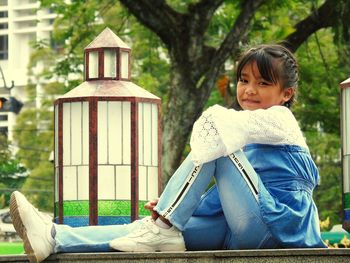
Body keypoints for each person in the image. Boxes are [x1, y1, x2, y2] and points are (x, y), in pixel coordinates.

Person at [10, 44, 327, 263]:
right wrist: (173, 208)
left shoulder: (281, 121)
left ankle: (163, 224)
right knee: (142, 232)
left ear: (286, 94)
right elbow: (232, 198)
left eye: (262, 82)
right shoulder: (245, 134)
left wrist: (170, 209)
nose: (249, 90)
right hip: (240, 229)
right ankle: (54, 236)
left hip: (275, 228)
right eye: (244, 80)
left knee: (216, 138)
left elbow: (214, 127)